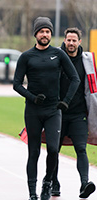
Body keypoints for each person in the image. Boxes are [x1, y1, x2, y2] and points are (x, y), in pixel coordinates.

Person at [13, 17, 80, 200]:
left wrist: (65, 101)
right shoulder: (26, 56)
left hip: (53, 110)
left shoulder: (59, 54)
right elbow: (16, 84)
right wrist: (33, 98)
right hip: (33, 111)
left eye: (48, 31)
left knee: (52, 149)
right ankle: (32, 193)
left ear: (51, 34)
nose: (45, 34)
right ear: (36, 34)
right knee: (33, 151)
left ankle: (48, 182)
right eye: (42, 31)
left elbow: (75, 79)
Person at [51, 27, 96, 198]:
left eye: (74, 40)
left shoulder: (87, 61)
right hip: (58, 114)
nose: (70, 43)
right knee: (54, 150)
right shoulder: (56, 58)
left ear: (79, 42)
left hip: (78, 114)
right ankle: (54, 182)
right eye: (68, 40)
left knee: (81, 149)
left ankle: (85, 183)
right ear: (64, 40)